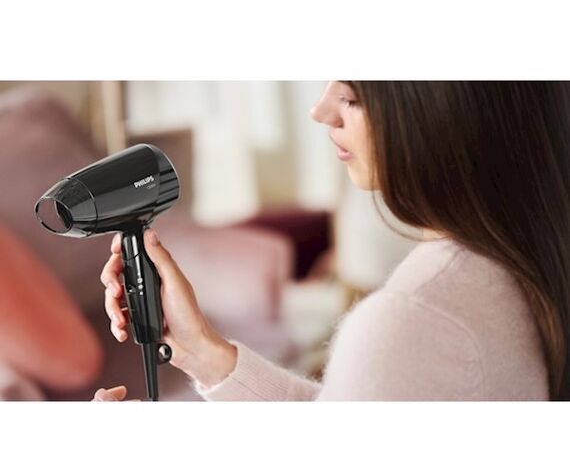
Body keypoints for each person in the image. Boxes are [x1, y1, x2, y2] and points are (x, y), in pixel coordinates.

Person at [94, 81, 570, 401]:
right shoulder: (514, 254)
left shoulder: (409, 322)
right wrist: (200, 350)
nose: (320, 111)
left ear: (438, 110)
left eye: (352, 97)